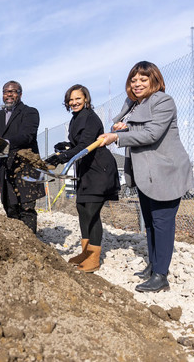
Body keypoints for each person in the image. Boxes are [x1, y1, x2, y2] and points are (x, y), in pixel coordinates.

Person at [100, 61, 193, 292]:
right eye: (133, 80)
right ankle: (154, 265)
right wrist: (124, 123)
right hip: (146, 173)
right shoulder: (136, 105)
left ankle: (161, 277)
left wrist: (117, 137)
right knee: (150, 223)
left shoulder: (163, 101)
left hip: (165, 172)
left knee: (162, 223)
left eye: (143, 79)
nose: (137, 83)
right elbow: (131, 126)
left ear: (155, 80)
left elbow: (152, 133)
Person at [45, 85, 120, 272]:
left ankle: (94, 258)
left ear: (86, 98)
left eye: (78, 98)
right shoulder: (75, 118)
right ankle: (85, 251)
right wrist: (67, 145)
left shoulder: (91, 117)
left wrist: (61, 157)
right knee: (82, 208)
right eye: (71, 99)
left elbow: (87, 144)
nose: (74, 102)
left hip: (99, 169)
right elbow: (79, 142)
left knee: (92, 212)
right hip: (86, 169)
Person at [0, 80, 45, 233]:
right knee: (9, 206)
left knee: (26, 208)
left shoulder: (30, 112)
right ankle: (15, 244)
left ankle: (30, 243)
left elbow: (27, 136)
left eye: (13, 91)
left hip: (25, 167)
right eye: (6, 92)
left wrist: (5, 142)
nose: (9, 94)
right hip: (6, 167)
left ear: (20, 94)